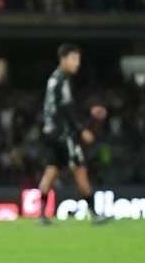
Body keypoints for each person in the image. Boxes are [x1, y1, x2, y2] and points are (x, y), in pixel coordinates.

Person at [36, 43, 111, 226]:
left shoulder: (54, 78)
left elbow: (63, 106)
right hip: (64, 133)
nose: (77, 63)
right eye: (74, 58)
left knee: (52, 170)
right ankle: (94, 213)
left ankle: (41, 214)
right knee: (79, 168)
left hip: (51, 131)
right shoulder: (62, 79)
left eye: (78, 59)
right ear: (63, 59)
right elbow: (65, 109)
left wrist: (88, 112)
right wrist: (81, 129)